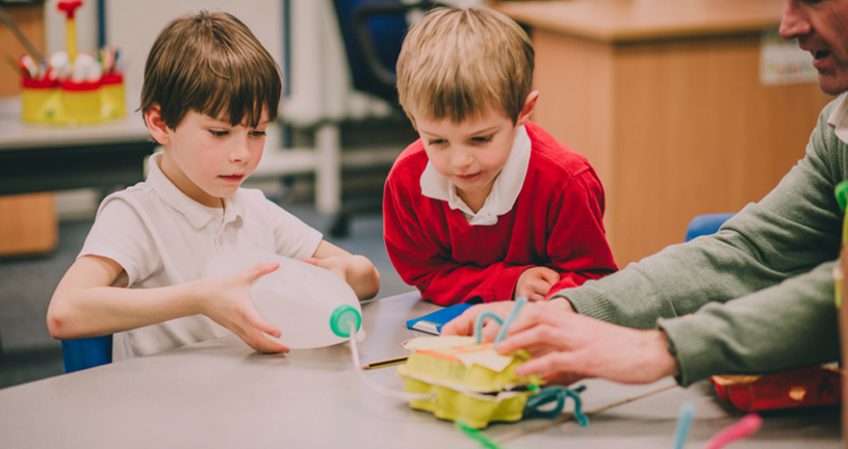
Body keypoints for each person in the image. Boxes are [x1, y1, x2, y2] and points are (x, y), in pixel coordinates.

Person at [444, 0, 848, 387]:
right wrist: (566, 312)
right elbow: (754, 253)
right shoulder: (838, 128)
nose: (786, 26)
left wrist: (665, 347)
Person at [46, 11, 380, 360]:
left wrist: (342, 274)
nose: (242, 154)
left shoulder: (255, 210)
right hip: (165, 404)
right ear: (160, 124)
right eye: (220, 133)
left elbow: (368, 277)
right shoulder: (135, 215)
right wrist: (200, 298)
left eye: (257, 132)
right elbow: (64, 312)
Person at [382, 7, 617, 306]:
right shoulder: (406, 181)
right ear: (414, 119)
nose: (460, 160)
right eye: (437, 141)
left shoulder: (565, 180)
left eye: (480, 138)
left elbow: (595, 277)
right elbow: (425, 275)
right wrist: (509, 283)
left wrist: (550, 299)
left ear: (524, 111)